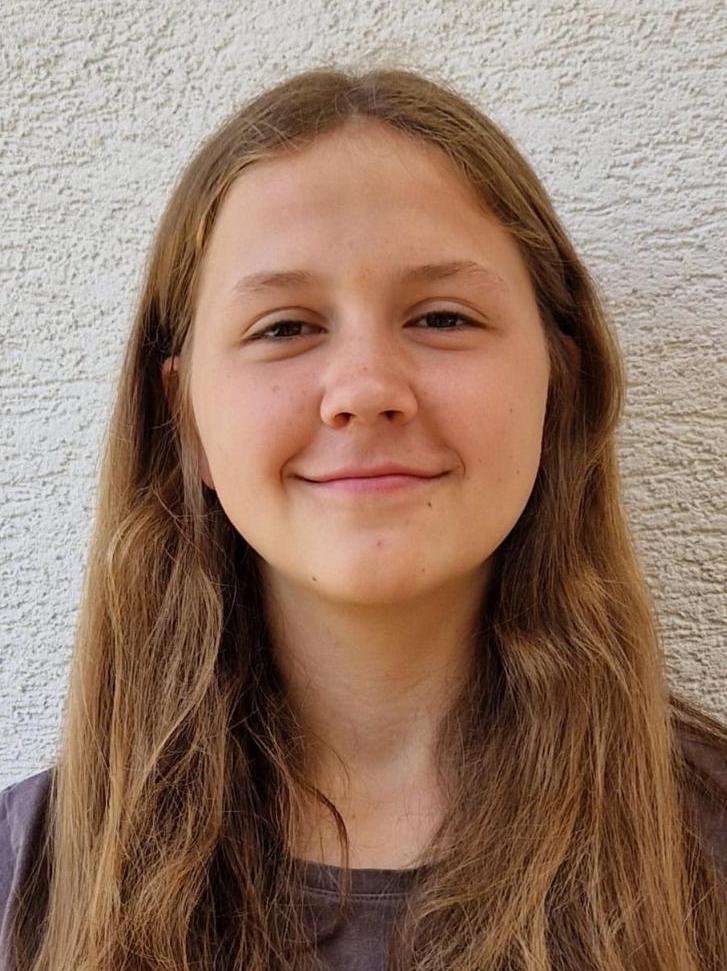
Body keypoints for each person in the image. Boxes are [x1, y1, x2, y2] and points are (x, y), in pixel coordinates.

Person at [1, 65, 725, 971]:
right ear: (185, 418)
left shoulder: (706, 849)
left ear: (560, 383)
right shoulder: (25, 880)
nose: (366, 388)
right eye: (284, 327)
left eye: (443, 317)